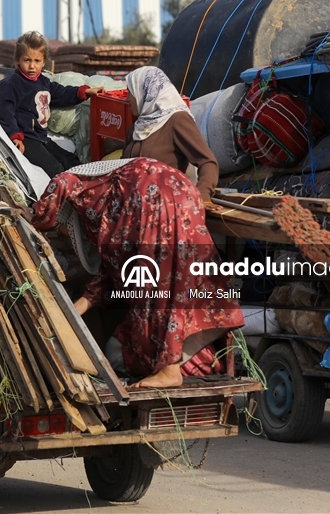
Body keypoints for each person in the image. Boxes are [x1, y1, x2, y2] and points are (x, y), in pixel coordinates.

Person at [32, 157, 244, 389]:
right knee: (184, 278)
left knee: (157, 286)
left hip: (150, 199)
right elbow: (113, 271)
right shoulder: (110, 208)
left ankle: (170, 370)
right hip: (180, 191)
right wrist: (73, 312)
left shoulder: (83, 188)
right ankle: (171, 366)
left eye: (63, 231)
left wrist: (38, 218)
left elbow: (61, 181)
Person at [0, 31, 103, 177]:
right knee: (55, 169)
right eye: (27, 60)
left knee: (70, 161)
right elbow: (5, 111)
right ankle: (67, 195)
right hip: (27, 140)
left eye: (37, 61)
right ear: (17, 60)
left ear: (44, 61)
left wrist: (84, 92)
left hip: (41, 138)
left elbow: (61, 93)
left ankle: (89, 186)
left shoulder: (43, 82)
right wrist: (15, 136)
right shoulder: (11, 84)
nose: (32, 66)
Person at [122, 66, 218, 203]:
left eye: (130, 92)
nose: (127, 98)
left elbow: (208, 161)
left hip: (167, 207)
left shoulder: (176, 120)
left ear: (145, 91)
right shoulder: (136, 128)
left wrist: (203, 195)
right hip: (134, 206)